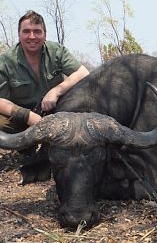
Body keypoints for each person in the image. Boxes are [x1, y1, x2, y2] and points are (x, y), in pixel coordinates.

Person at [0, 10, 90, 183]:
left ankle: (53, 150)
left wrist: (56, 91)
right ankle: (26, 147)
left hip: (57, 113)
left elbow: (83, 72)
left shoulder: (56, 51)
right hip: (22, 119)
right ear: (19, 34)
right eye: (26, 31)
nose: (32, 36)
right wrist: (27, 116)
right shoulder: (5, 61)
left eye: (37, 31)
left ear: (44, 34)